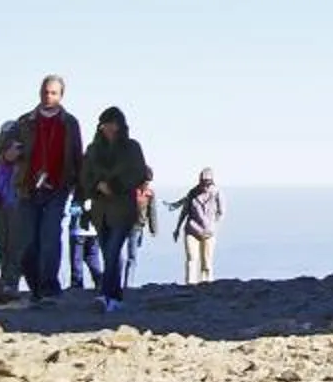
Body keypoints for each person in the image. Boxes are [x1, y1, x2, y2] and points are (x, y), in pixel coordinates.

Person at [15, 75, 85, 302]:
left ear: (61, 95)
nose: (48, 96)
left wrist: (80, 190)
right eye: (46, 92)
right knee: (28, 242)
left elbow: (77, 156)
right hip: (28, 187)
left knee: (50, 237)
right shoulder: (25, 122)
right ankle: (35, 287)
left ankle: (48, 287)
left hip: (58, 187)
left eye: (53, 93)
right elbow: (6, 149)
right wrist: (9, 154)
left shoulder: (70, 123)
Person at [78, 106, 154, 312]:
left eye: (114, 124)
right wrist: (96, 186)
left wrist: (116, 186)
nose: (111, 128)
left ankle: (106, 294)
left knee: (113, 251)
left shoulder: (131, 148)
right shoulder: (93, 150)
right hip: (100, 211)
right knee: (108, 253)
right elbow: (84, 176)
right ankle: (115, 295)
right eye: (106, 124)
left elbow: (139, 172)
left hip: (123, 209)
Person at [0, 125, 29, 292]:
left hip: (17, 204)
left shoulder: (22, 155)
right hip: (1, 205)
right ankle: (5, 280)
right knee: (3, 244)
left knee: (15, 246)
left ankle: (11, 281)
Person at [169, 169, 224, 283]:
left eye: (207, 183)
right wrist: (177, 229)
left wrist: (213, 224)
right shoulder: (192, 193)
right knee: (191, 259)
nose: (205, 185)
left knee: (207, 263)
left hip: (209, 233)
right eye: (203, 182)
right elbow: (184, 212)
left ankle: (206, 284)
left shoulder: (217, 193)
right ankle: (190, 285)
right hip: (192, 230)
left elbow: (221, 211)